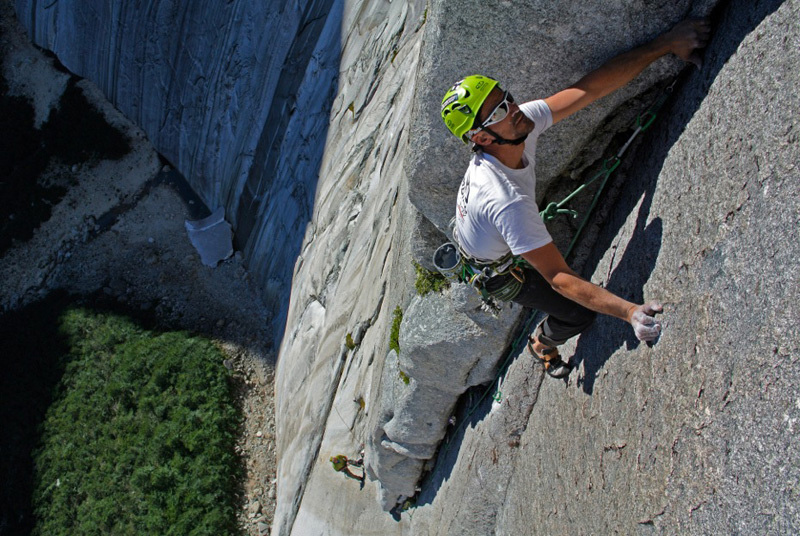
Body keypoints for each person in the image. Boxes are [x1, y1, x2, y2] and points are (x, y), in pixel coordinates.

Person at [441, 19, 711, 378]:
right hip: (496, 271)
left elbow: (591, 89)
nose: (514, 106)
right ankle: (542, 344)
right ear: (483, 137)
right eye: (499, 111)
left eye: (505, 96)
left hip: (487, 234)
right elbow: (558, 278)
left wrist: (665, 43)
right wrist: (630, 312)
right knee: (577, 314)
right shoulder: (504, 200)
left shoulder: (519, 126)